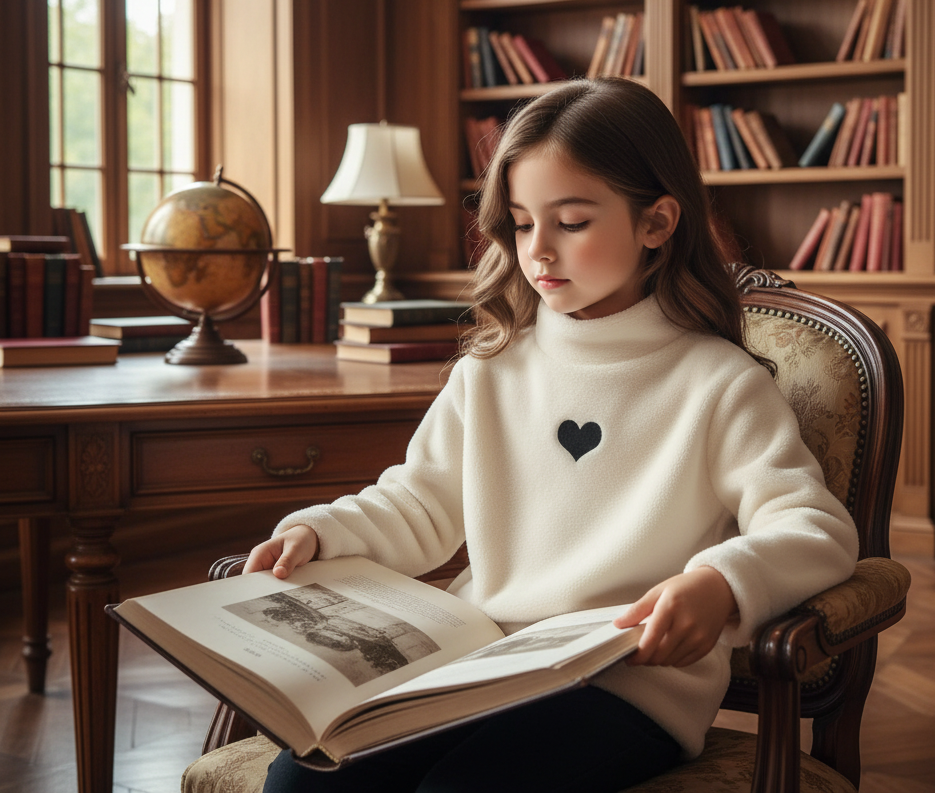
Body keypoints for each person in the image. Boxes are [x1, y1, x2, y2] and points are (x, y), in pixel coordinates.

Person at [245, 77, 859, 793]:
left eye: (570, 223)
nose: (538, 251)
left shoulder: (717, 383)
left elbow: (815, 527)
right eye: (521, 222)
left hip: (627, 690)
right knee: (304, 780)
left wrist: (721, 585)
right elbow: (419, 502)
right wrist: (321, 532)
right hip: (474, 667)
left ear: (657, 223)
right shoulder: (493, 368)